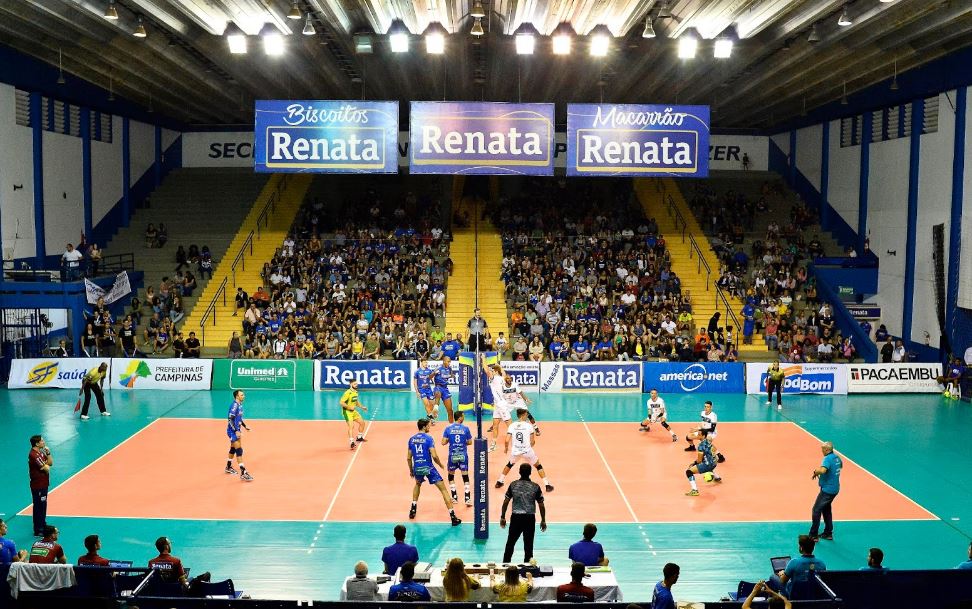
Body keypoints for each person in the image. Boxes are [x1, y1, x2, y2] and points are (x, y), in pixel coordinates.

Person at [406, 418, 461, 525]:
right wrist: (440, 464)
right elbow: (434, 455)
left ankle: (413, 508)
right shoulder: (428, 438)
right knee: (444, 490)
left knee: (417, 484)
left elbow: (408, 458)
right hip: (429, 468)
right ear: (424, 427)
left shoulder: (411, 439)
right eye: (429, 425)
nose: (430, 427)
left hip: (417, 467)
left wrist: (411, 470)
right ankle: (453, 517)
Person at [499, 462, 548, 563]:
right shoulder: (535, 486)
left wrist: (503, 517)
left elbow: (506, 501)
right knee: (528, 545)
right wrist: (543, 520)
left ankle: (505, 566)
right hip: (529, 519)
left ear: (519, 472)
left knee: (510, 543)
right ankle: (528, 569)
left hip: (516, 518)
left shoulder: (513, 485)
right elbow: (541, 504)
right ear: (530, 473)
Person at [496, 408, 553, 492]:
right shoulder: (529, 426)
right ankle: (547, 485)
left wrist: (506, 448)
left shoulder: (512, 425)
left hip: (516, 451)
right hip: (527, 451)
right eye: (526, 414)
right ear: (522, 415)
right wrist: (530, 445)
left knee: (509, 465)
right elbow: (532, 442)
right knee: (538, 466)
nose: (527, 416)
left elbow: (507, 440)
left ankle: (499, 481)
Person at [774, 535, 826, 599]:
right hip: (813, 596)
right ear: (813, 547)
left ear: (801, 548)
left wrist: (781, 574)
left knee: (773, 577)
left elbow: (783, 581)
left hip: (794, 597)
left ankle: (780, 602)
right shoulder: (821, 563)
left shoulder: (794, 562)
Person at [809, 441, 842, 541]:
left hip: (828, 490)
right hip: (835, 488)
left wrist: (816, 471)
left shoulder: (827, 459)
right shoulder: (837, 458)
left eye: (822, 449)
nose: (822, 451)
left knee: (816, 510)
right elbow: (840, 467)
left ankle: (813, 535)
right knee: (826, 509)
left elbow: (823, 470)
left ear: (827, 449)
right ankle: (828, 533)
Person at [441, 410, 473, 506]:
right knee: (465, 476)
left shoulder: (448, 428)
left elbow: (443, 442)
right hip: (463, 455)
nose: (464, 418)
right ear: (459, 417)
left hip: (452, 456)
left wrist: (450, 440)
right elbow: (470, 442)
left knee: (451, 476)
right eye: (463, 416)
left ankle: (454, 497)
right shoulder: (465, 428)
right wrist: (463, 443)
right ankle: (467, 498)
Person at [225, 390, 254, 481]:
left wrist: (245, 426)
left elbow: (239, 418)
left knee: (233, 448)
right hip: (232, 431)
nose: (244, 396)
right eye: (242, 395)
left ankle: (228, 467)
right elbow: (230, 419)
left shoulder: (240, 405)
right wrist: (236, 430)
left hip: (237, 430)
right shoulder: (234, 406)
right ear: (237, 396)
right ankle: (243, 472)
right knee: (239, 450)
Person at [28, 434, 53, 536]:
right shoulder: (33, 455)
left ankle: (43, 524)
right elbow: (47, 469)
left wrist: (48, 453)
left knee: (43, 505)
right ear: (37, 443)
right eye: (42, 441)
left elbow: (50, 463)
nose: (44, 442)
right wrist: (46, 466)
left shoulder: (41, 453)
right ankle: (38, 529)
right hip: (37, 485)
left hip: (44, 483)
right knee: (38, 506)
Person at [685, 429, 722, 496]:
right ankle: (717, 478)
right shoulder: (708, 440)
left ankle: (694, 490)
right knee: (707, 461)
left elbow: (699, 460)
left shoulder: (701, 446)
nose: (697, 436)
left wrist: (693, 463)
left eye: (699, 434)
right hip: (714, 463)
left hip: (708, 465)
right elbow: (713, 448)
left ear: (703, 436)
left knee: (689, 472)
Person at [340, 380, 369, 450]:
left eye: (357, 384)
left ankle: (359, 437)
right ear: (350, 384)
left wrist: (362, 407)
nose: (356, 385)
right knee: (351, 426)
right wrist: (349, 407)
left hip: (353, 412)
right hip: (347, 412)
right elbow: (341, 402)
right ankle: (351, 442)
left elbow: (356, 401)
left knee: (362, 423)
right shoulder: (347, 393)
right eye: (355, 384)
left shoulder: (355, 392)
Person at [433, 355, 457, 423]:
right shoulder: (439, 368)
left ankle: (451, 425)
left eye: (450, 362)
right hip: (438, 386)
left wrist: (453, 376)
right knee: (437, 394)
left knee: (450, 410)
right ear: (444, 361)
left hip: (445, 388)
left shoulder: (449, 368)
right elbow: (430, 376)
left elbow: (452, 375)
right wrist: (434, 373)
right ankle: (435, 409)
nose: (449, 363)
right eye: (448, 361)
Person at [414, 359, 438, 423]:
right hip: (421, 390)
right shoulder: (417, 371)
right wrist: (417, 392)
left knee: (432, 404)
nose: (426, 364)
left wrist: (434, 375)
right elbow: (415, 382)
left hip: (428, 389)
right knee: (426, 404)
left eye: (427, 362)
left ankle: (429, 416)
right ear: (421, 363)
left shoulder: (429, 370)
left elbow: (431, 378)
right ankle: (431, 418)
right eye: (425, 362)